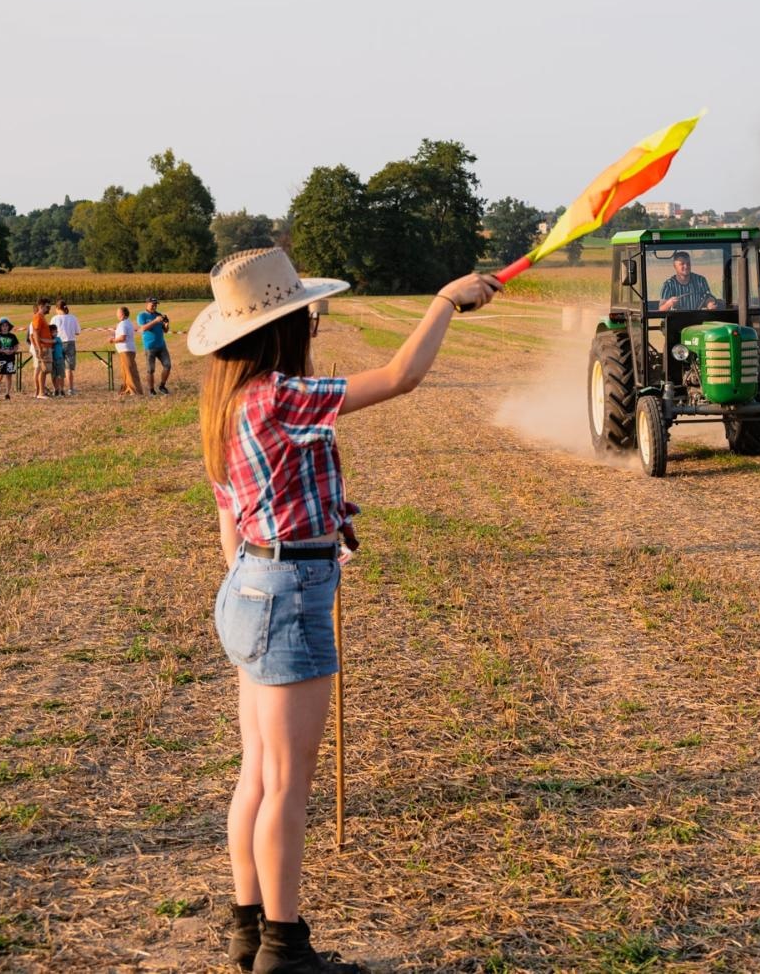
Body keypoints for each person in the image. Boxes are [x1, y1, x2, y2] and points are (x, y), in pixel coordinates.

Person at [193, 246, 498, 973]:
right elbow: (401, 377)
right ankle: (283, 949)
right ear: (279, 328)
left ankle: (247, 929)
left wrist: (315, 528)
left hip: (248, 586)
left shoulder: (227, 400)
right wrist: (446, 302)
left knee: (257, 775)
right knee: (288, 786)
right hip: (286, 596)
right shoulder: (277, 394)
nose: (314, 325)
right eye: (304, 315)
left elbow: (233, 515)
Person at [137, 296, 172, 395]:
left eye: (156, 305)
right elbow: (143, 328)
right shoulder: (142, 316)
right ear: (147, 304)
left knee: (168, 366)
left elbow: (165, 331)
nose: (154, 306)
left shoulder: (159, 315)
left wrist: (166, 325)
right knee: (150, 370)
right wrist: (156, 321)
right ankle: (151, 390)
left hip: (161, 346)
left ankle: (162, 386)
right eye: (153, 304)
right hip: (150, 347)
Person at [110, 306, 143, 397]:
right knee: (126, 371)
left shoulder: (123, 324)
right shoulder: (127, 323)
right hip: (127, 349)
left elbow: (122, 337)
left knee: (129, 371)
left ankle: (134, 391)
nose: (116, 314)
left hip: (126, 350)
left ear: (122, 314)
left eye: (118, 312)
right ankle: (128, 389)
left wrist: (113, 340)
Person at [51, 300, 81, 395]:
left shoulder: (55, 318)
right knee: (68, 368)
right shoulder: (73, 317)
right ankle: (71, 389)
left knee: (57, 366)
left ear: (57, 308)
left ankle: (57, 389)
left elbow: (50, 331)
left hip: (57, 343)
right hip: (70, 343)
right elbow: (78, 332)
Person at [0, 318, 20, 400]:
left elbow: (16, 346)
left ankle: (7, 393)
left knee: (9, 376)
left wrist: (12, 351)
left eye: (6, 326)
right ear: (0, 327)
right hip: (2, 359)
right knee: (0, 375)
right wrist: (3, 350)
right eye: (3, 326)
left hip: (11, 358)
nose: (5, 327)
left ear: (9, 327)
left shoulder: (12, 336)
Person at [29, 297, 54, 398]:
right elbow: (35, 333)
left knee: (45, 369)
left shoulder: (42, 317)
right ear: (41, 306)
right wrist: (39, 348)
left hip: (45, 347)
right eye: (48, 306)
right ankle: (41, 393)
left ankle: (41, 392)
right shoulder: (38, 317)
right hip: (42, 348)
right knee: (43, 370)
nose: (49, 308)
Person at [49, 323, 67, 395]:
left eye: (55, 332)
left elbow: (52, 342)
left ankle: (62, 389)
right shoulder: (49, 340)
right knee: (53, 376)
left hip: (59, 359)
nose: (55, 333)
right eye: (53, 332)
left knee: (61, 375)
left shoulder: (58, 339)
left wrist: (41, 339)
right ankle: (56, 389)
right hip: (52, 360)